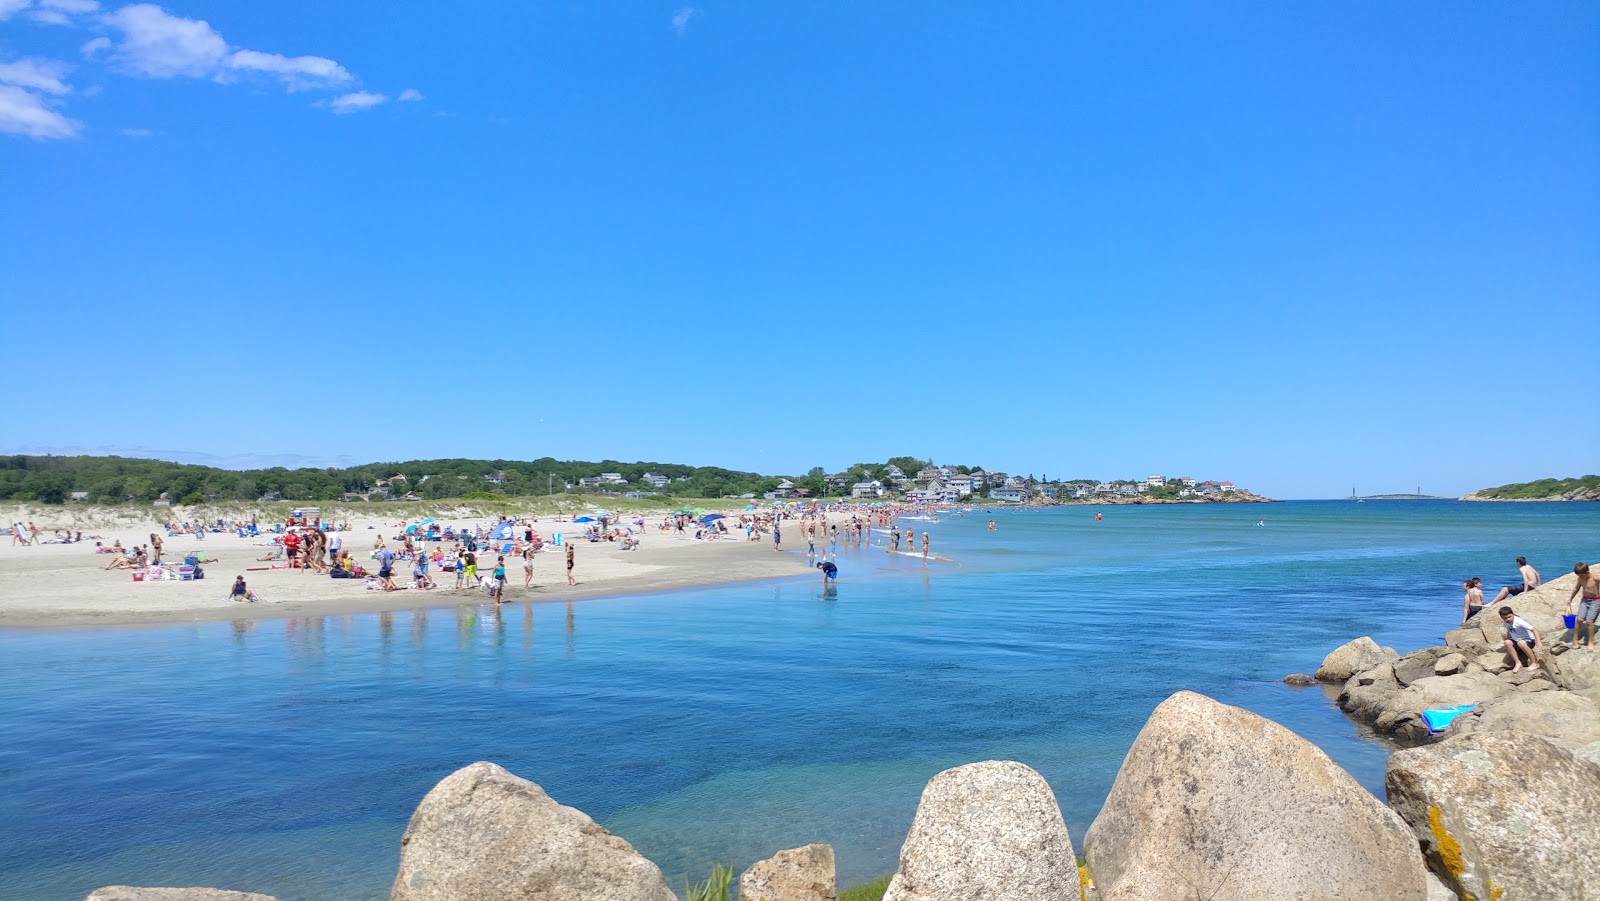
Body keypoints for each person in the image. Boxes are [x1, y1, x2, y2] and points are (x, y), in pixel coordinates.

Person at [1565, 562, 1600, 652]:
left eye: (1581, 575)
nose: (1580, 577)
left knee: (1589, 621)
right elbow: (1577, 588)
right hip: (1585, 600)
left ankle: (1590, 641)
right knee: (1579, 619)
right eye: (1579, 575)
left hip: (1595, 601)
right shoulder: (1580, 579)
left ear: (1587, 572)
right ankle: (1575, 640)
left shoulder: (1595, 578)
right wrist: (1570, 598)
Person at [1499, 606, 1542, 672]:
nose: (1508, 619)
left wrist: (1538, 642)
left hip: (1528, 640)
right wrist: (1508, 645)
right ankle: (1518, 662)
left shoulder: (1519, 621)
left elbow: (1533, 629)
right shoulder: (1505, 623)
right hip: (1517, 640)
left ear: (1513, 614)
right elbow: (1509, 631)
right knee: (1507, 642)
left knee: (1521, 643)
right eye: (1505, 618)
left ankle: (1534, 663)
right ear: (1501, 617)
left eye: (1510, 617)